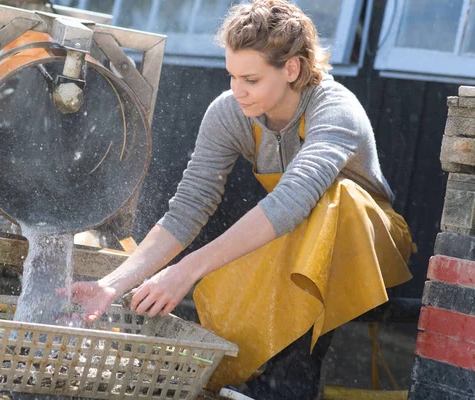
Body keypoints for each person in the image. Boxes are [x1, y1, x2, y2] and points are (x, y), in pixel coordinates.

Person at [64, 0, 413, 398]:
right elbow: (188, 207)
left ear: (293, 69)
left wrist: (185, 269)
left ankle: (287, 383)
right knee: (228, 279)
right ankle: (251, 376)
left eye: (251, 79)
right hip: (298, 240)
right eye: (231, 76)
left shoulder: (336, 111)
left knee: (335, 199)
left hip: (370, 248)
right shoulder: (229, 113)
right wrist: (113, 283)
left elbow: (290, 204)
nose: (237, 90)